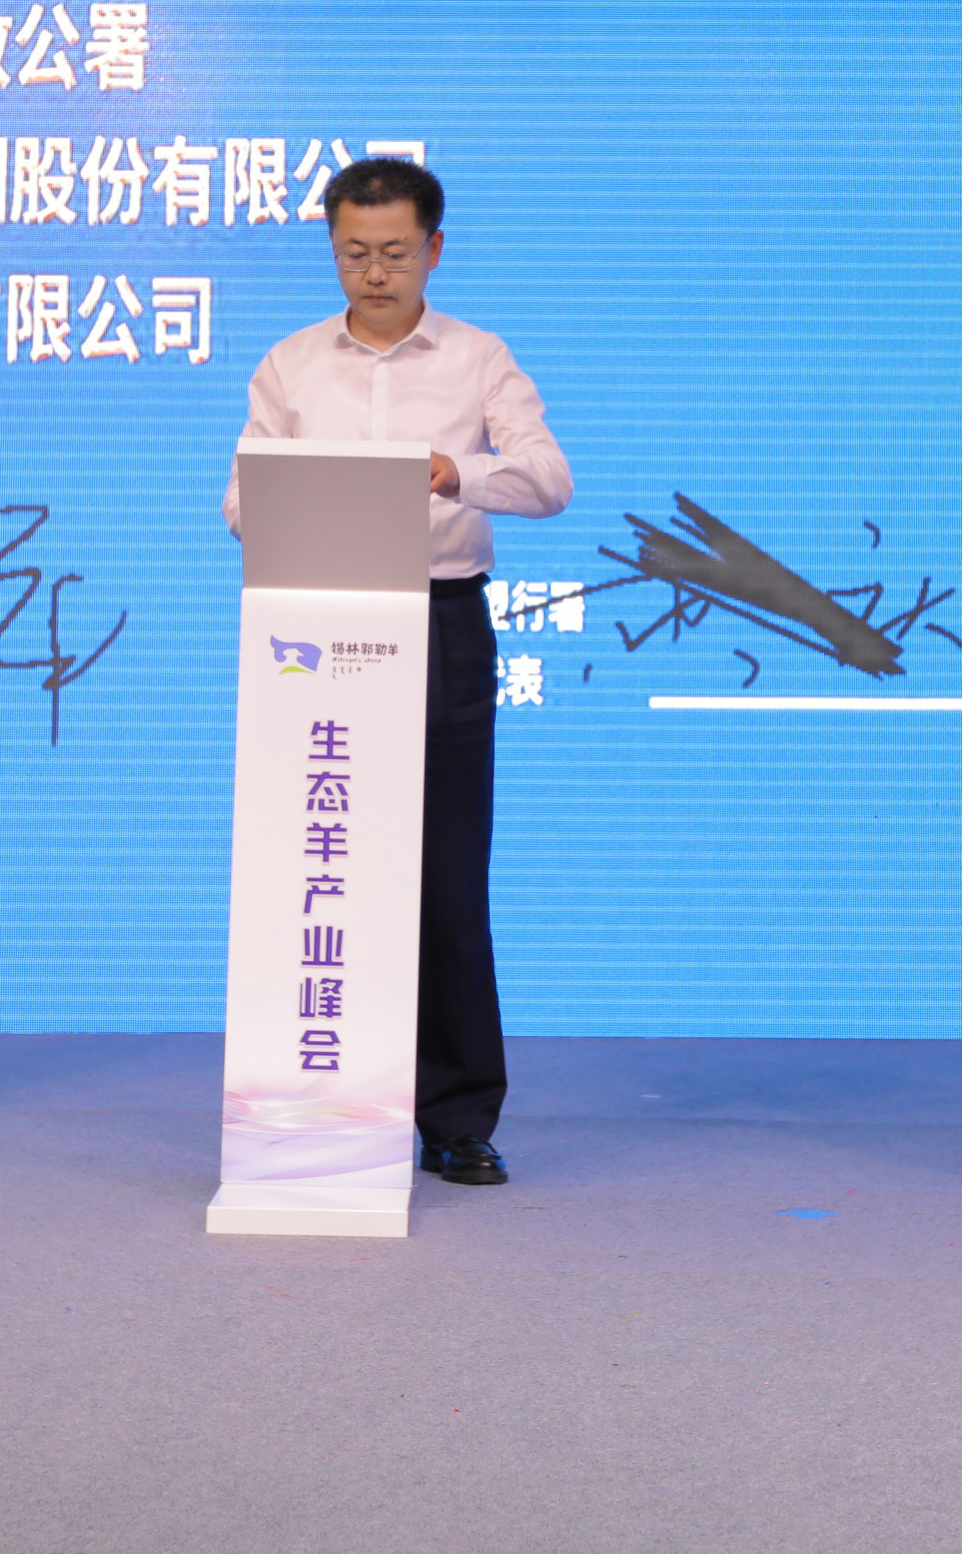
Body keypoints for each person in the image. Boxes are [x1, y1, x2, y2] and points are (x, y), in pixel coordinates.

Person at [222, 159, 572, 1186]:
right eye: (353, 254)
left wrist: (456, 471)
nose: (374, 273)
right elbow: (240, 501)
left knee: (447, 878)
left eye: (394, 252)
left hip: (440, 624)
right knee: (316, 864)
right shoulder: (290, 363)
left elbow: (550, 480)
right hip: (314, 631)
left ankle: (456, 1117)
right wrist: (303, 495)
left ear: (434, 249)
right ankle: (316, 1096)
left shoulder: (478, 358)